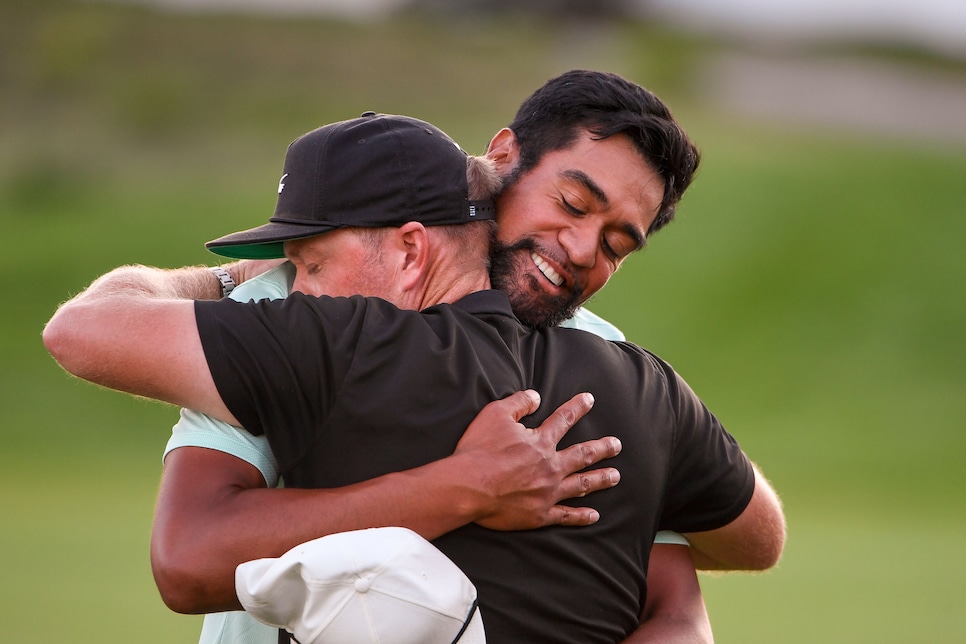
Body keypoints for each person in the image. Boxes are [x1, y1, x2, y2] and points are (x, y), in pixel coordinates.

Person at [44, 112, 785, 643]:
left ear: (409, 250)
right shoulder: (639, 383)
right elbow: (751, 545)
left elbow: (82, 334)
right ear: (503, 162)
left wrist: (228, 282)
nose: (584, 249)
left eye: (309, 263)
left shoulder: (315, 334)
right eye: (571, 203)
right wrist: (465, 488)